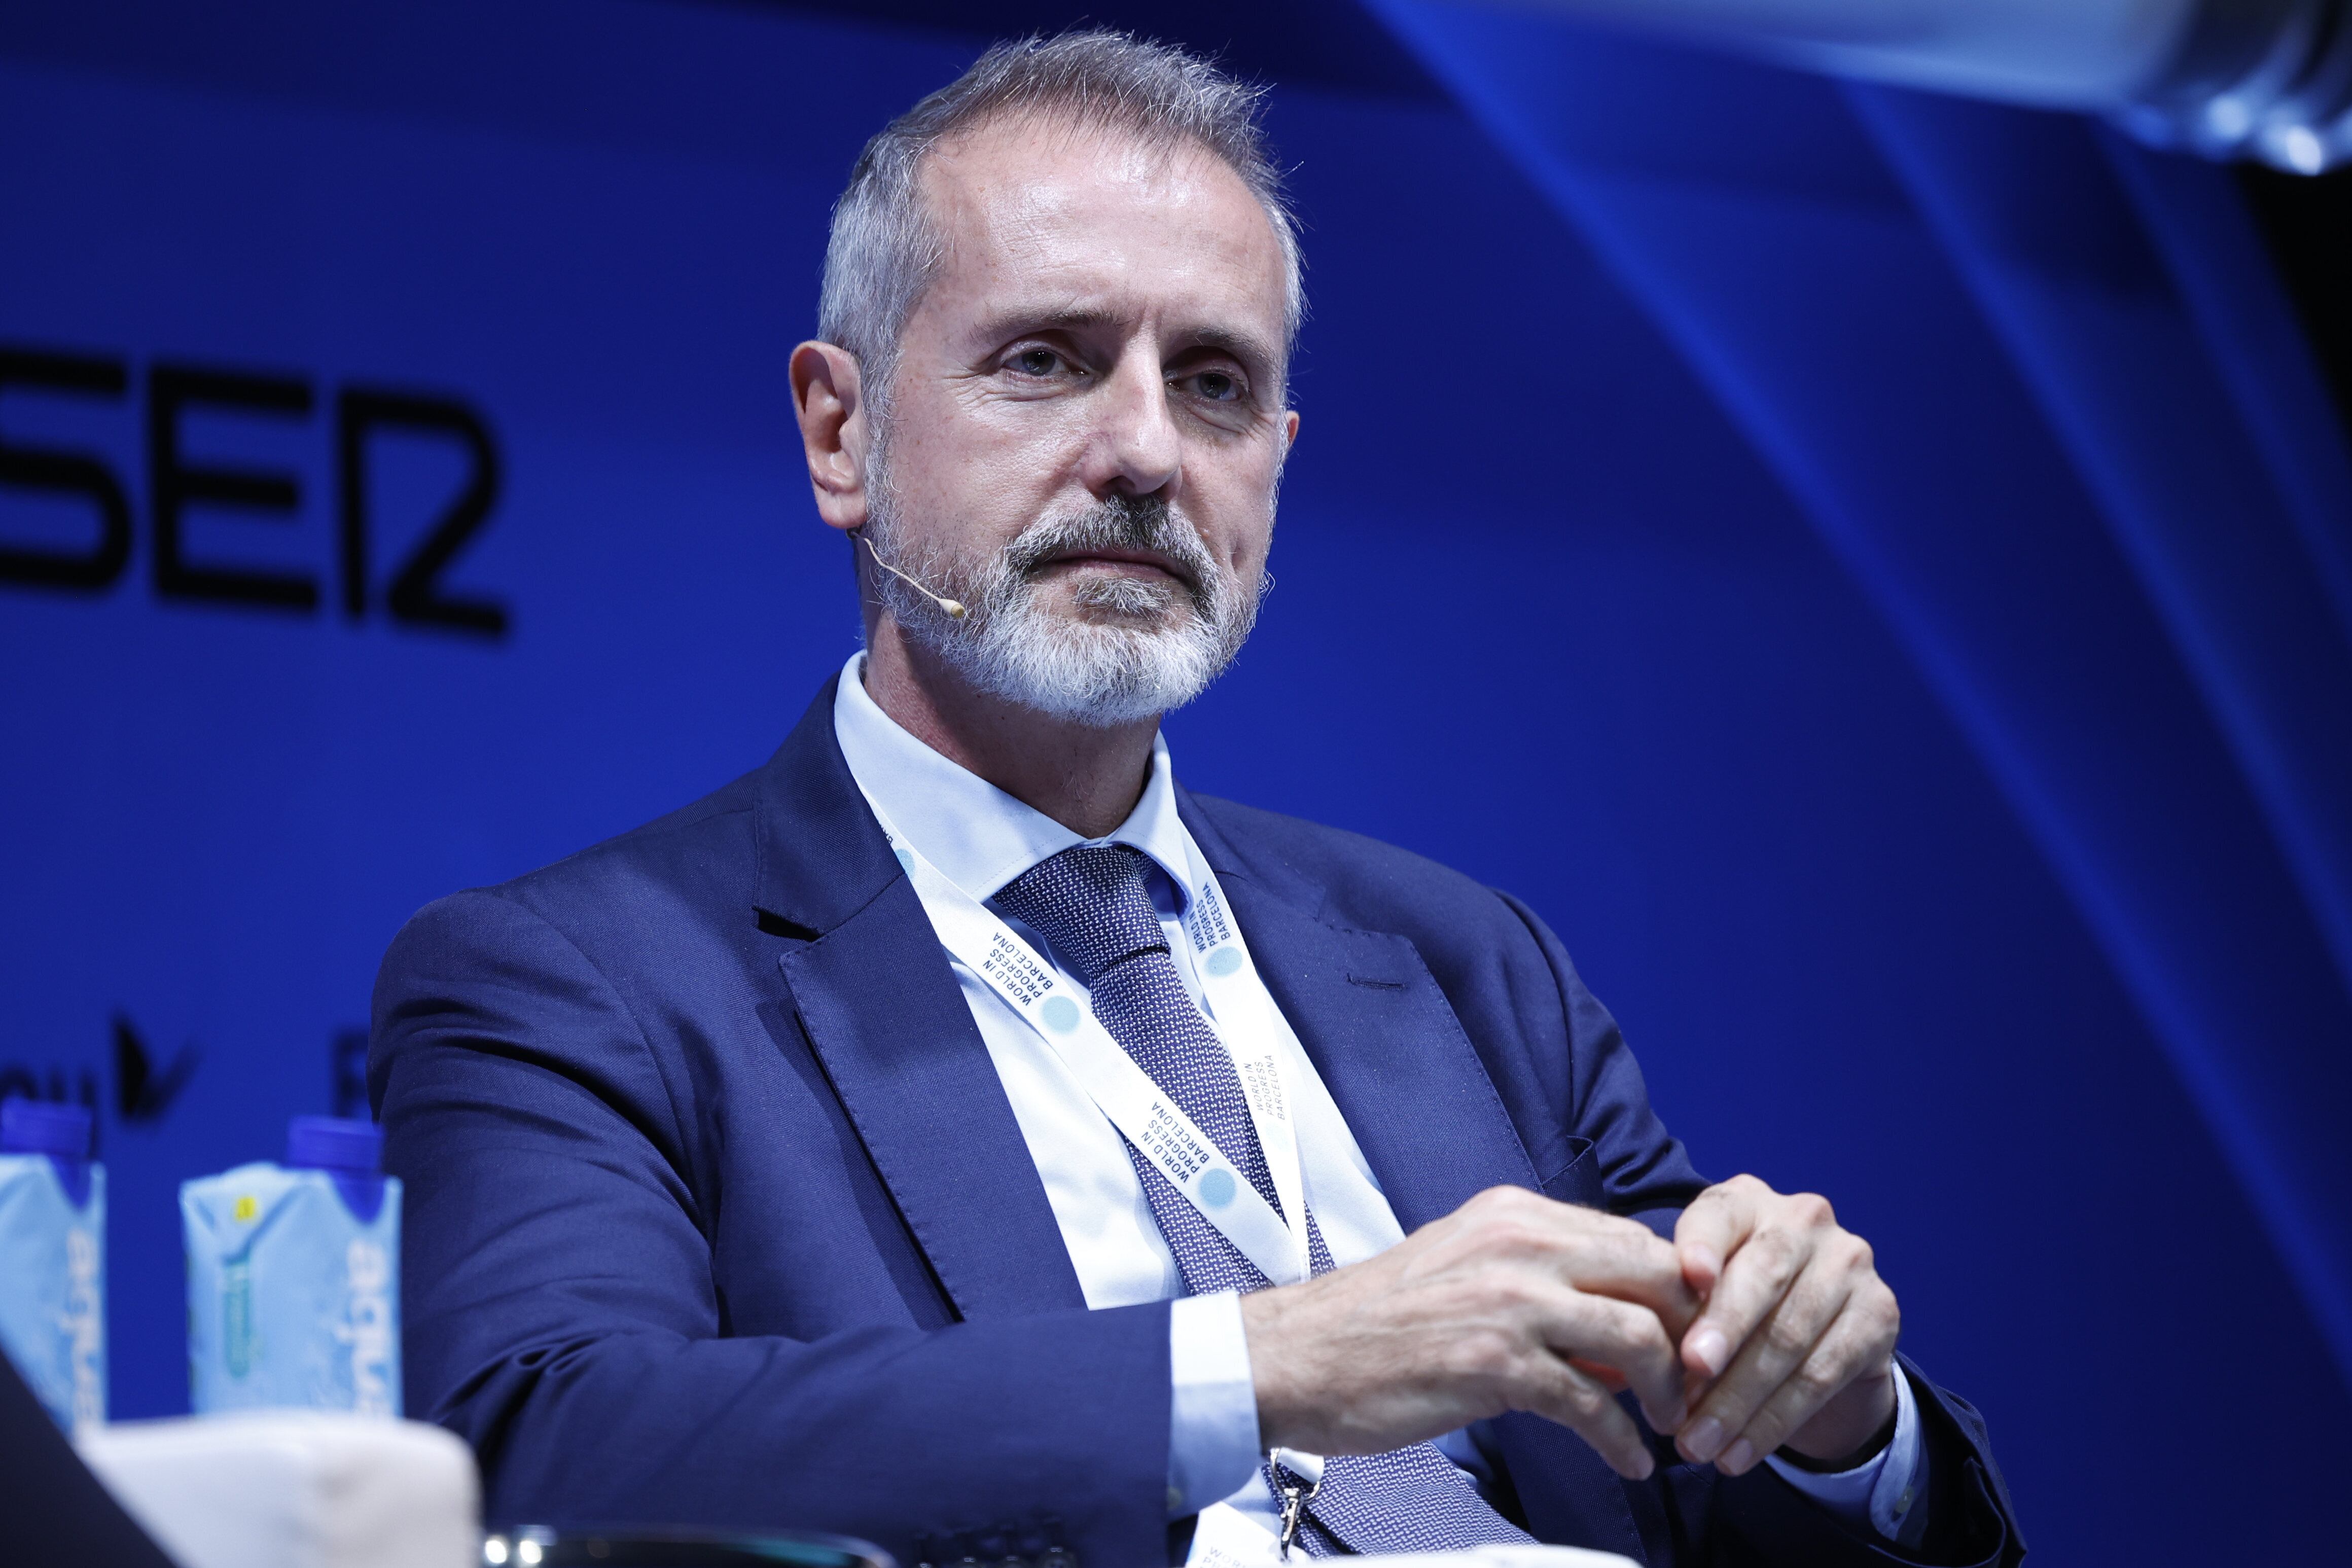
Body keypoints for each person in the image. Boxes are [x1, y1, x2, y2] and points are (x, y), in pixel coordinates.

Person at [370, 31, 2020, 1568]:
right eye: (1047, 359)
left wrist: (1838, 1418)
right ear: (841, 432)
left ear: (1278, 459)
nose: (1148, 452)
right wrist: (1267, 1363)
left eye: (1217, 383)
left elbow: (1722, 1479)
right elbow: (539, 1445)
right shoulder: (582, 978)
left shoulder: (1469, 964)